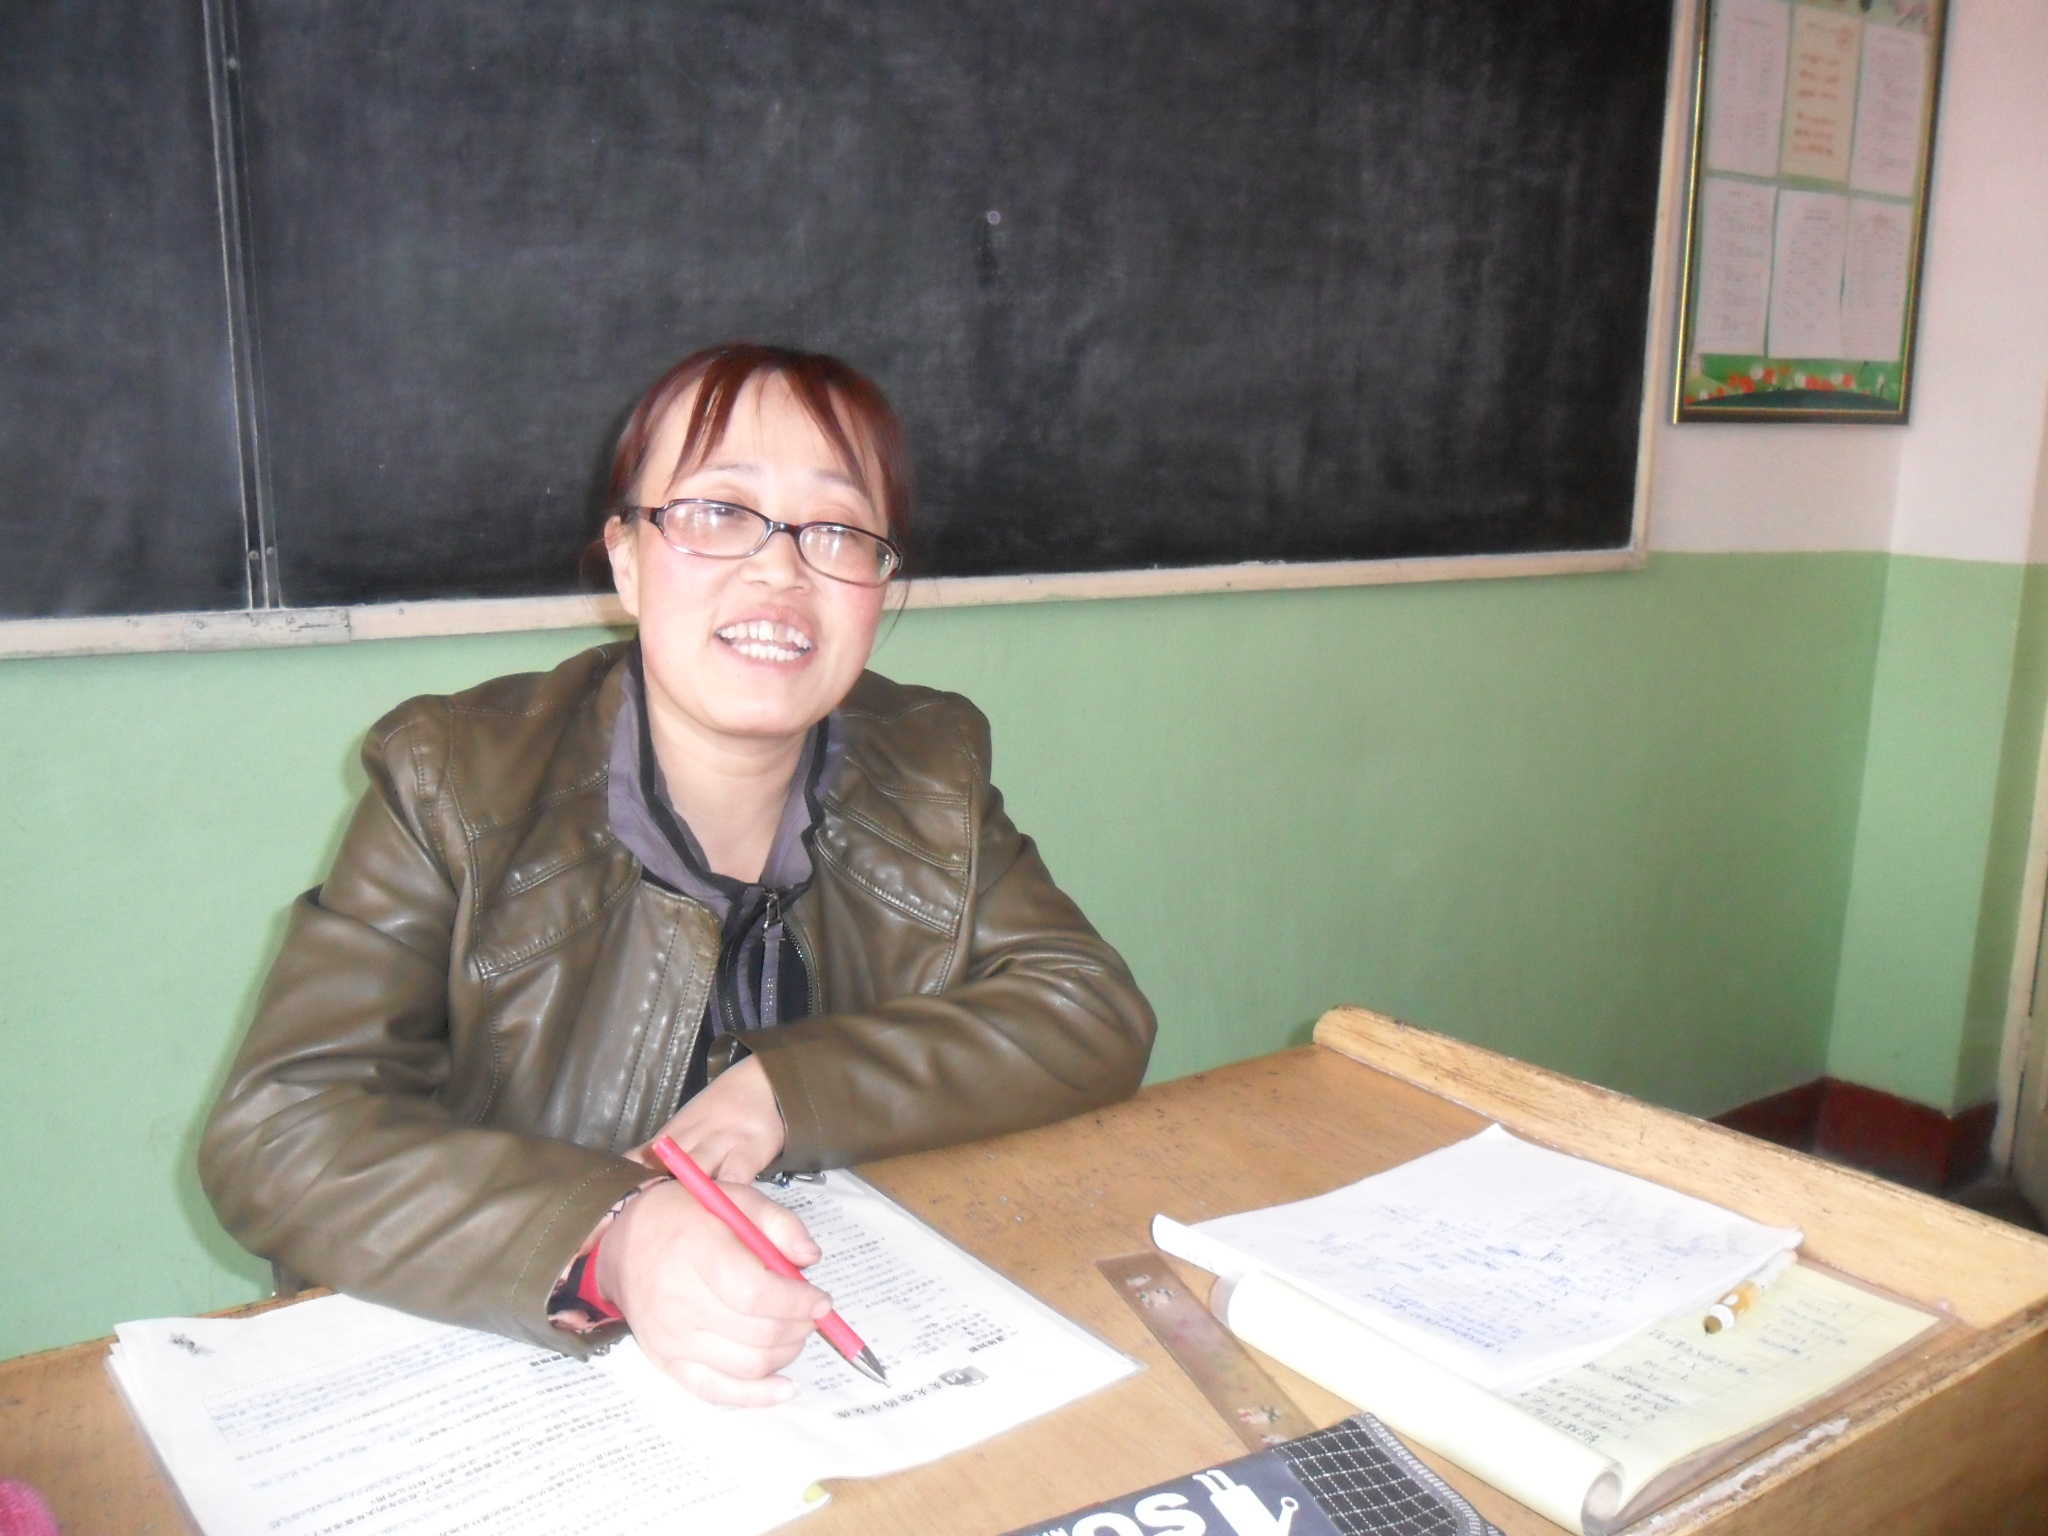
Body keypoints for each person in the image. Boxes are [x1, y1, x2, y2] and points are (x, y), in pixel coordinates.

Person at [199, 342, 1156, 1406]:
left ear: (881, 585)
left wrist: (789, 1090)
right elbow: (280, 1133)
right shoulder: (453, 779)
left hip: (817, 1340)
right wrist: (611, 1238)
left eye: (837, 531)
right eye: (716, 512)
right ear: (626, 559)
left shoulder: (929, 761)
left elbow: (1087, 1008)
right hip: (522, 1368)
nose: (780, 572)